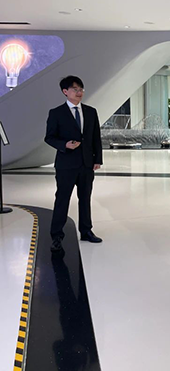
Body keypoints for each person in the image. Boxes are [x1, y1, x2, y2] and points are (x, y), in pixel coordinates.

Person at [45, 76, 103, 252]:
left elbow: (96, 137)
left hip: (86, 164)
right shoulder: (56, 113)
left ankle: (86, 231)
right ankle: (56, 236)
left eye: (81, 89)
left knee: (85, 199)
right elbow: (49, 137)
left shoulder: (91, 112)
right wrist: (65, 145)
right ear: (65, 92)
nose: (79, 92)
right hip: (66, 165)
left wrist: (97, 159)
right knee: (62, 200)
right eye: (75, 89)